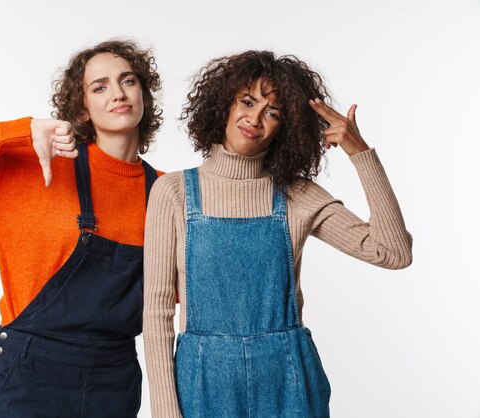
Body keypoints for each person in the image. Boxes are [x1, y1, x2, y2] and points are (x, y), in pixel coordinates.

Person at [143, 50, 412, 417]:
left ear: (286, 128)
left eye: (272, 112)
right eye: (247, 101)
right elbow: (157, 313)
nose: (254, 118)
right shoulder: (173, 193)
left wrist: (359, 153)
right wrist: (165, 412)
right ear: (223, 103)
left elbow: (393, 252)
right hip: (202, 383)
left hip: (288, 383)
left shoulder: (296, 195)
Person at [0, 39, 162, 418]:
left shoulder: (165, 191)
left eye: (128, 81)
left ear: (144, 93)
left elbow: (178, 293)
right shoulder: (36, 168)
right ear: (82, 108)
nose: (118, 94)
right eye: (99, 87)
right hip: (31, 373)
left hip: (115, 378)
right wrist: (22, 132)